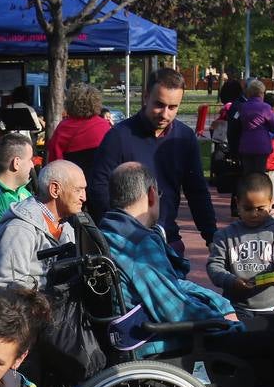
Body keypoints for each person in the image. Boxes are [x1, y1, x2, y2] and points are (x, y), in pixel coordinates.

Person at [98, 163, 274, 387]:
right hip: (173, 342)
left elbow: (171, 289)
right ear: (152, 194)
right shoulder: (138, 244)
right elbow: (175, 309)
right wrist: (221, 319)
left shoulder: (111, 232)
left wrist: (220, 305)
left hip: (150, 335)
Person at [87, 68, 217, 254]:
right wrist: (119, 232)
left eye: (173, 107)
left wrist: (211, 236)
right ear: (146, 97)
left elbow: (197, 191)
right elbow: (98, 190)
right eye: (159, 105)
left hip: (167, 240)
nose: (165, 114)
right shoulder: (118, 137)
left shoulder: (185, 138)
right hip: (125, 243)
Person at [205, 173, 274, 326]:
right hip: (237, 308)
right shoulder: (225, 235)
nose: (254, 214)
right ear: (237, 203)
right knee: (242, 340)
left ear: (271, 202)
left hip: (273, 308)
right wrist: (231, 281)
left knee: (273, 340)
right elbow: (214, 266)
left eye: (260, 208)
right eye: (248, 208)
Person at [0, 160, 84, 290]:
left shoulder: (66, 227)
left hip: (54, 301)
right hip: (24, 302)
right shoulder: (19, 228)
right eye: (78, 190)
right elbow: (8, 286)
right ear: (55, 190)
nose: (84, 197)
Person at [46, 84, 111, 175]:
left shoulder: (64, 127)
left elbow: (55, 160)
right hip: (99, 176)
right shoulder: (104, 126)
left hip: (70, 176)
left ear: (70, 103)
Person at [236, 79, 274, 177]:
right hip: (261, 144)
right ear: (261, 93)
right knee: (260, 174)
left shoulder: (242, 107)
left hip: (246, 144)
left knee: (247, 174)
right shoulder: (265, 107)